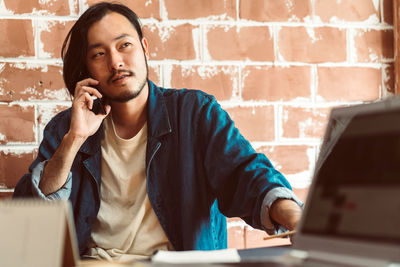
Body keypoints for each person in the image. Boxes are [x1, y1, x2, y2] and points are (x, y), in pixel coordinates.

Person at [13, 1, 302, 262]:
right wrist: (75, 139)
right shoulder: (66, 129)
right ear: (87, 70)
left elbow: (244, 172)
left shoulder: (195, 113)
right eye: (99, 54)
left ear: (144, 47)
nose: (115, 62)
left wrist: (294, 217)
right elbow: (31, 227)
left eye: (124, 45)